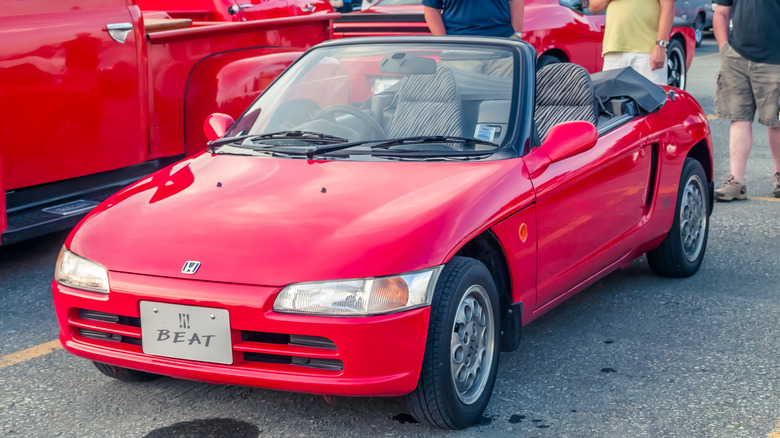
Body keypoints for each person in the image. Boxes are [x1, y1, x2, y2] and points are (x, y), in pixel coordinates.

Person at [712, 0, 780, 201]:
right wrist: (724, 49)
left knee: (776, 122)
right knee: (738, 118)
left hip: (775, 60)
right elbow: (721, 13)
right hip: (737, 59)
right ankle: (736, 183)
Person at [589, 0, 674, 86]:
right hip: (613, 51)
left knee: (653, 98)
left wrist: (661, 45)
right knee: (611, 98)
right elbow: (593, 7)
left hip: (647, 53)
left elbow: (668, 6)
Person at [422, 0, 524, 38]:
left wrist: (516, 35)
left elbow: (515, 1)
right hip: (461, 48)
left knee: (507, 85)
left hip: (503, 43)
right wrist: (444, 43)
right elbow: (431, 9)